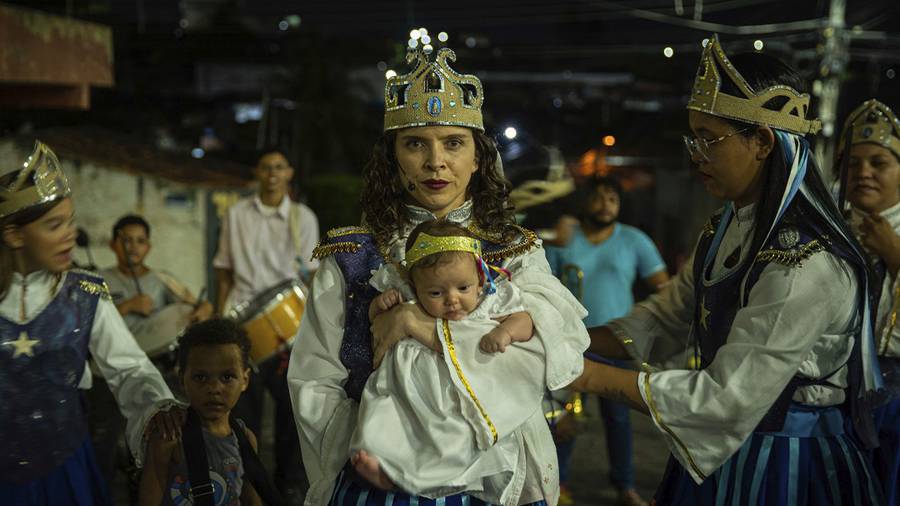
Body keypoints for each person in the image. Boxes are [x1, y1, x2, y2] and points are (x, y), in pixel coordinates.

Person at [569, 35, 886, 505]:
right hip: (722, 446)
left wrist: (580, 374)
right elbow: (665, 317)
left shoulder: (807, 263)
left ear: (761, 141)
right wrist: (562, 340)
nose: (695, 154)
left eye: (709, 139)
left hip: (787, 464)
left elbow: (726, 397)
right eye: (692, 137)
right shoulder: (726, 227)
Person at [288, 32, 589, 506]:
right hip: (382, 479)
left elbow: (545, 356)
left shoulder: (514, 252)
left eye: (453, 143)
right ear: (393, 159)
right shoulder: (352, 257)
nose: (436, 162)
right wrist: (379, 444)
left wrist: (416, 323)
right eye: (415, 144)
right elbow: (314, 379)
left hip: (498, 476)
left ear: (477, 157)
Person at [0, 141, 183, 504]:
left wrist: (157, 407)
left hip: (66, 470)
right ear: (15, 235)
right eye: (54, 225)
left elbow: (130, 369)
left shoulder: (84, 295)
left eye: (70, 221)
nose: (70, 233)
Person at [351, 220, 543, 500]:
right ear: (414, 287)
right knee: (383, 414)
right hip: (407, 385)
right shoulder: (407, 297)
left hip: (454, 388)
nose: (452, 300)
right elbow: (376, 324)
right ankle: (388, 468)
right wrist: (378, 307)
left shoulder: (491, 299)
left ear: (480, 279)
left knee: (453, 431)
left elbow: (526, 321)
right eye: (436, 293)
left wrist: (505, 332)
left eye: (463, 288)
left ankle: (435, 476)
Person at [545, 176, 669, 506]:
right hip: (570, 342)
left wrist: (646, 325)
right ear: (584, 202)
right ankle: (559, 485)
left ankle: (625, 487)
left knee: (618, 418)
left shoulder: (633, 240)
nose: (605, 204)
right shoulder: (564, 238)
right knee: (564, 417)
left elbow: (665, 289)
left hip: (617, 342)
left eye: (612, 198)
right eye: (598, 198)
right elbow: (542, 285)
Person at [213, 147, 318, 501]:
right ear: (256, 173)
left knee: (292, 413)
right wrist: (218, 316)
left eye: (279, 167)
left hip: (289, 326)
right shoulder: (236, 215)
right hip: (242, 326)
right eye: (265, 167)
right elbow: (224, 269)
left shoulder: (303, 218)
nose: (272, 173)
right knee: (243, 414)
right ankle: (247, 484)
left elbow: (310, 276)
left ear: (289, 173)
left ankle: (289, 485)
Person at [839, 98, 900, 505]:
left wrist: (896, 255)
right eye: (853, 163)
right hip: (839, 394)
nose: (863, 173)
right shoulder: (827, 230)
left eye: (879, 163)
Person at [139, 318, 262, 506]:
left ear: (244, 380)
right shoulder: (169, 439)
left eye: (227, 377)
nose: (214, 388)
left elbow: (252, 500)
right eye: (200, 377)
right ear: (182, 379)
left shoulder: (245, 439)